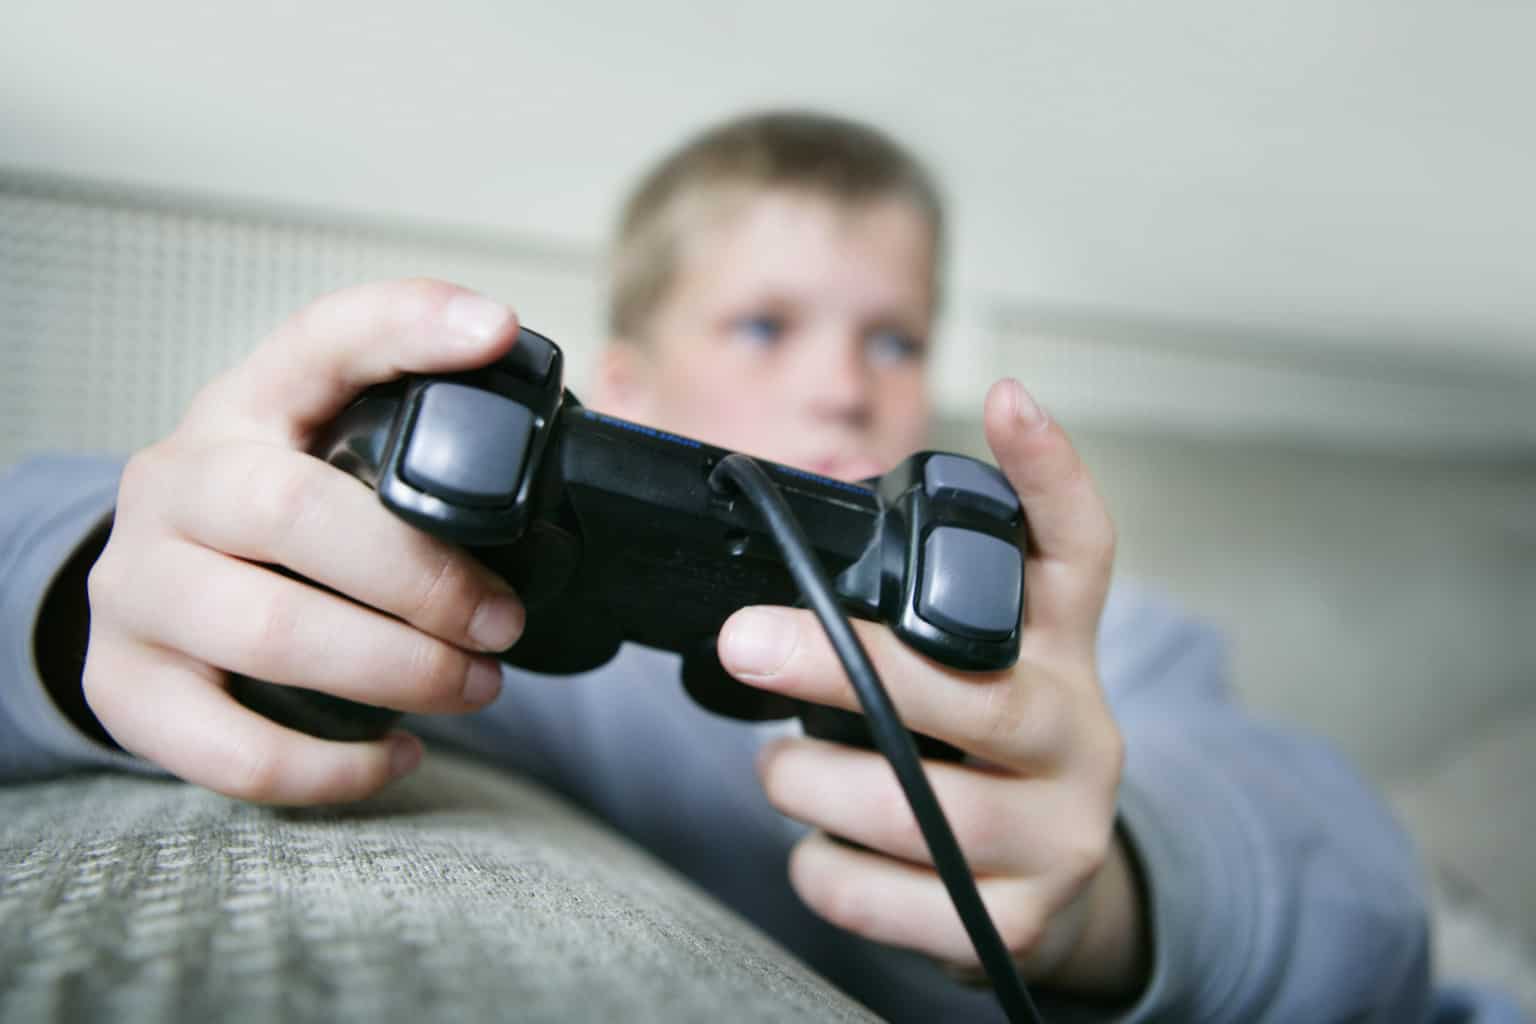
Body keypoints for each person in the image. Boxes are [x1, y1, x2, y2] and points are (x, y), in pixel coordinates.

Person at [0, 111, 1487, 1022]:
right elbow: (94, 539)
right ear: (632, 385)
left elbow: (1362, 891)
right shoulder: (498, 628)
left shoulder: (1066, 648)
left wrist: (1113, 892)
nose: (847, 390)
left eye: (894, 339)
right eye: (767, 326)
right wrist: (96, 595)